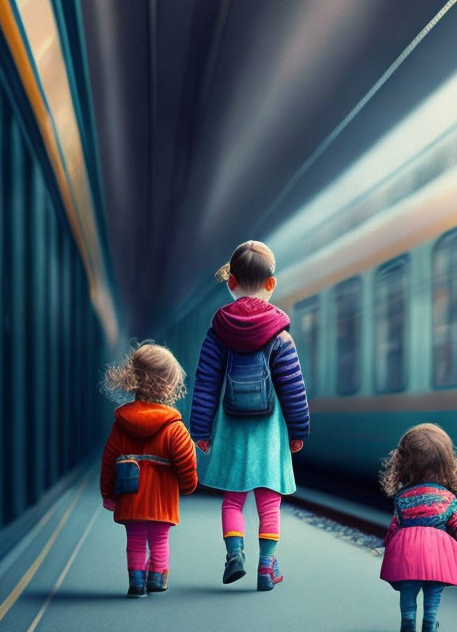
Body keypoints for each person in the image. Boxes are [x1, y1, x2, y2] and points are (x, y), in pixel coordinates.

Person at [189, 240, 309, 591]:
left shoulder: (218, 332)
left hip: (230, 426)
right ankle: (266, 567)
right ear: (271, 284)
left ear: (232, 283)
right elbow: (292, 386)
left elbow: (207, 382)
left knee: (233, 499)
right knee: (269, 501)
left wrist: (201, 429)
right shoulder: (280, 335)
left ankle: (234, 555)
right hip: (270, 430)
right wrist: (299, 429)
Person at [99, 341, 198, 597]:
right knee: (159, 540)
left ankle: (136, 583)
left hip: (130, 497)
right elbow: (186, 460)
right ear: (169, 385)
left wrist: (108, 493)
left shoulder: (121, 423)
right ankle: (157, 578)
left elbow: (109, 460)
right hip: (162, 499)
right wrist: (188, 486)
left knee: (134, 540)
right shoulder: (173, 427)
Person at [379, 423, 457, 632]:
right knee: (433, 588)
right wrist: (453, 544)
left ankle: (408, 622)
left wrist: (390, 545)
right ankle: (430, 624)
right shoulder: (448, 498)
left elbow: (394, 527)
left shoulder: (402, 498)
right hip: (437, 551)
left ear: (404, 465)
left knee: (408, 587)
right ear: (447, 463)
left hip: (407, 550)